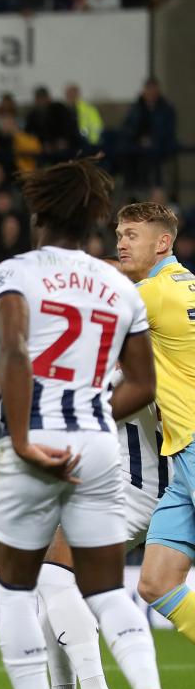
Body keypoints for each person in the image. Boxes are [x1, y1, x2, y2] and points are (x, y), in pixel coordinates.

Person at [0, 159, 183, 689]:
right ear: (95, 219)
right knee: (105, 587)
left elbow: (15, 353)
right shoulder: (122, 291)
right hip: (105, 447)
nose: (122, 242)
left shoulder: (17, 273)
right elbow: (144, 382)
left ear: (38, 212)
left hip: (63, 443)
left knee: (29, 581)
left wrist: (23, 437)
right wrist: (94, 408)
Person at [116, 202, 195, 646]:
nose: (121, 243)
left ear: (163, 243)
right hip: (181, 456)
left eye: (132, 235)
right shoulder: (183, 286)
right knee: (157, 583)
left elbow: (97, 300)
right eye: (119, 234)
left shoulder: (153, 292)